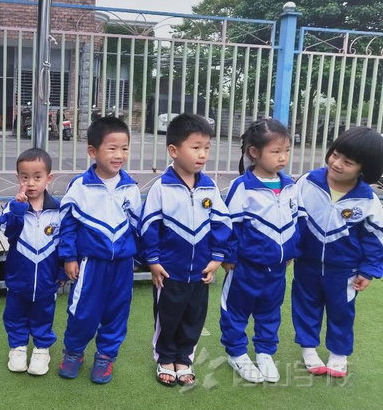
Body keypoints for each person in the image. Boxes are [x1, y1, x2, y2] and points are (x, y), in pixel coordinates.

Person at [139, 113, 232, 387]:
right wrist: (153, 260)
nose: (202, 154)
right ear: (174, 150)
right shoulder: (161, 187)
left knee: (194, 317)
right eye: (195, 147)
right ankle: (165, 358)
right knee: (168, 317)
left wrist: (217, 258)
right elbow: (149, 226)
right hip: (170, 271)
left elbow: (222, 223)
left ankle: (184, 359)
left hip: (201, 272)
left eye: (207, 148)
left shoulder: (209, 187)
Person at [292, 126, 383, 378]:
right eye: (335, 154)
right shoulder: (308, 181)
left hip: (345, 270)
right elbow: (290, 217)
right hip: (306, 263)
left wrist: (368, 269)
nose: (337, 163)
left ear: (364, 168)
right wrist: (289, 250)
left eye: (348, 162)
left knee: (341, 311)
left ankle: (338, 353)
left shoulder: (367, 199)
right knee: (305, 305)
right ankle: (308, 349)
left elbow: (375, 237)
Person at [57, 116, 142, 384]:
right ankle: (74, 351)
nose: (119, 155)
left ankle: (106, 356)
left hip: (122, 266)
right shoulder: (80, 186)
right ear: (93, 151)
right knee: (82, 311)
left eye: (124, 148)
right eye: (112, 148)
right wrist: (69, 257)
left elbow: (137, 227)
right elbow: (67, 224)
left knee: (118, 312)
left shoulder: (131, 187)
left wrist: (138, 258)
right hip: (91, 264)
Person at [220, 118, 302, 383]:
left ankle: (265, 352)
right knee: (236, 311)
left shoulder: (290, 186)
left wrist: (290, 251)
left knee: (270, 311)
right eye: (276, 151)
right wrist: (229, 258)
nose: (283, 157)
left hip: (277, 269)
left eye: (286, 150)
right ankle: (237, 353)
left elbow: (296, 221)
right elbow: (230, 226)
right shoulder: (242, 187)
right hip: (246, 268)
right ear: (254, 152)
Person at [0, 148, 64, 376]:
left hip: (47, 278)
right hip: (18, 277)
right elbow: (8, 232)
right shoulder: (12, 207)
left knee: (44, 314)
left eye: (37, 177)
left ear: (48, 178)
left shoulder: (58, 210)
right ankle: (17, 348)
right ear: (18, 178)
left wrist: (62, 270)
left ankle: (41, 349)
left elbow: (63, 243)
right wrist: (18, 211)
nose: (31, 183)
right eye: (25, 177)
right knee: (14, 313)